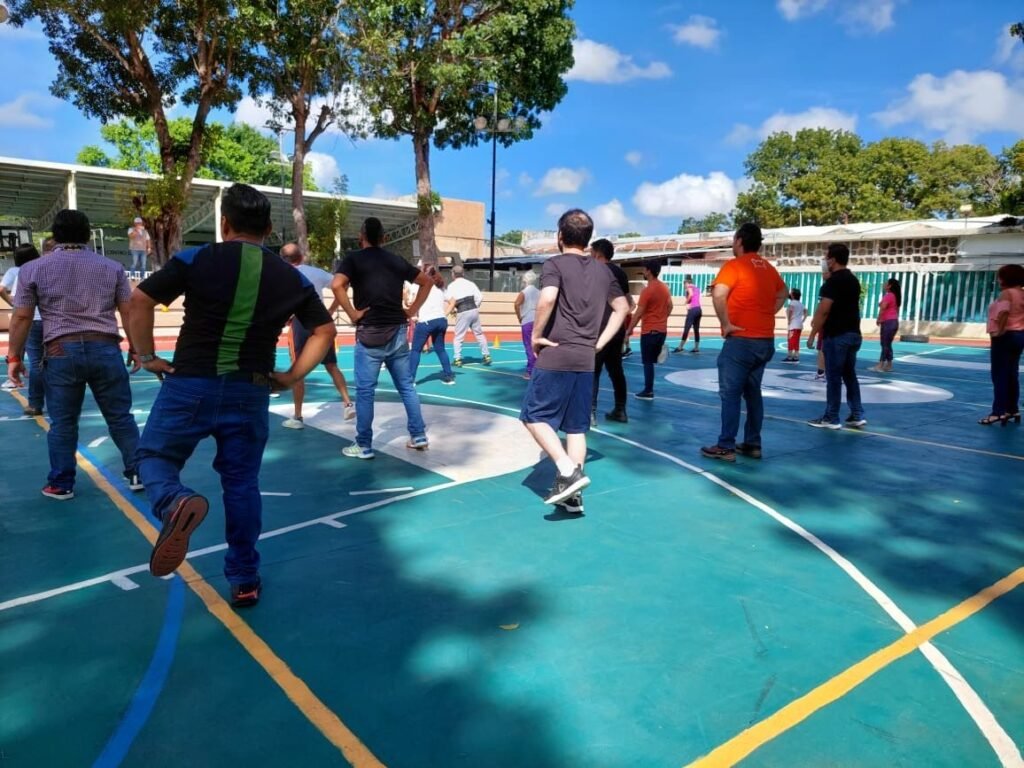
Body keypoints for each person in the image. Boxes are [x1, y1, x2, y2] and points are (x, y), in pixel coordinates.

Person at [128, 184, 335, 607]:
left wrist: (147, 356)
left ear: (224, 224)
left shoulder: (197, 258)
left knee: (152, 456)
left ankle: (173, 501)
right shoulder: (290, 276)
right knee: (241, 484)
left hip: (190, 383)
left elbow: (140, 299)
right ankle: (244, 579)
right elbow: (325, 330)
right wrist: (291, 376)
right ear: (269, 228)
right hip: (250, 390)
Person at [6, 209, 142, 499]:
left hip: (60, 350)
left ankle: (61, 483)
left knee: (63, 423)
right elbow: (129, 312)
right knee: (120, 417)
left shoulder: (33, 269)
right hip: (105, 347)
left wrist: (14, 357)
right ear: (88, 235)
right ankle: (138, 472)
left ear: (54, 236)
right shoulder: (113, 268)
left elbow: (22, 317)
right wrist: (137, 348)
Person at [520, 209, 629, 513]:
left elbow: (547, 298)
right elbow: (623, 307)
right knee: (576, 427)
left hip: (557, 352)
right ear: (588, 239)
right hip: (585, 358)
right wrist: (599, 343)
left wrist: (536, 335)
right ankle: (572, 497)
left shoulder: (554, 264)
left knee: (532, 416)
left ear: (560, 236)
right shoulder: (604, 271)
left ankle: (568, 471)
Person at [332, 217, 432, 459]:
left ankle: (364, 445)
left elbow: (336, 285)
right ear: (384, 238)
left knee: (366, 392)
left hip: (369, 332)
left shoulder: (353, 259)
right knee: (406, 386)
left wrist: (353, 314)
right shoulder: (396, 260)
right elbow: (427, 282)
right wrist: (411, 310)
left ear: (361, 236)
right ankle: (418, 435)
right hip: (397, 331)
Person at [700, 223, 787, 462]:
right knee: (753, 393)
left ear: (739, 241)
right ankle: (752, 443)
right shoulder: (768, 268)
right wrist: (767, 312)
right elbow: (783, 293)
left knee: (730, 393)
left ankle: (726, 445)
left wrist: (726, 323)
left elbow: (719, 293)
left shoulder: (734, 266)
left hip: (741, 340)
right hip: (764, 340)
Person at [279, 242, 355, 428]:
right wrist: (331, 309)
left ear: (283, 260)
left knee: (298, 370)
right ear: (301, 257)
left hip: (301, 323)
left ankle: (298, 416)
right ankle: (348, 404)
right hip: (321, 321)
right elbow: (342, 285)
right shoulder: (316, 272)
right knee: (332, 365)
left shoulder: (283, 275)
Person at [806, 243, 866, 429]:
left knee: (833, 377)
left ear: (832, 260)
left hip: (837, 334)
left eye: (826, 258)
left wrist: (813, 334)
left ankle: (831, 417)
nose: (825, 261)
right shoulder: (853, 280)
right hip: (853, 333)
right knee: (849, 375)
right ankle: (857, 414)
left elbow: (824, 310)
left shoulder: (832, 283)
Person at [590, 238, 633, 423]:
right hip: (617, 329)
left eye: (591, 253)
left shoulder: (594, 271)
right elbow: (629, 303)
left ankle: (590, 412)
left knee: (593, 370)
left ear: (597, 253)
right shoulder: (620, 273)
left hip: (599, 328)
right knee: (616, 370)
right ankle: (620, 409)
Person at [1, 244, 46, 414]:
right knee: (53, 360)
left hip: (29, 319)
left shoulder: (17, 271)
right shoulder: (44, 269)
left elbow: (2, 289)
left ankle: (35, 402)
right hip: (48, 319)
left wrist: (12, 303)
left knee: (34, 362)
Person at [979, 264, 1024, 425]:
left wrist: (999, 331)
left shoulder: (1007, 293)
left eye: (999, 276)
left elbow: (1004, 312)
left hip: (1005, 336)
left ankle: (998, 412)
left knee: (999, 374)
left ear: (1006, 278)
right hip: (1019, 335)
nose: (998, 280)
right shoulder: (1022, 293)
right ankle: (1012, 409)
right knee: (1012, 373)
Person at [626, 260, 672, 401]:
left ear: (649, 271)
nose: (644, 272)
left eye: (645, 270)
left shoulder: (647, 291)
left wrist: (629, 330)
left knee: (647, 362)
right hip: (662, 330)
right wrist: (662, 318)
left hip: (649, 330)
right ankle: (659, 351)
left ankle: (648, 391)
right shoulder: (664, 288)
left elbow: (638, 313)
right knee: (652, 358)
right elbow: (670, 306)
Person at [409, 264, 455, 385]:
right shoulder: (440, 286)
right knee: (440, 349)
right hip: (441, 321)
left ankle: (411, 379)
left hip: (426, 322)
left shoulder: (418, 285)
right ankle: (449, 376)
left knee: (415, 350)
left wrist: (414, 315)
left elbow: (411, 301)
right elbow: (453, 301)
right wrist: (444, 314)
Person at [445, 265, 491, 367]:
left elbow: (449, 300)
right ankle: (487, 355)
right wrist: (475, 306)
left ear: (453, 274)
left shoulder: (451, 286)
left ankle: (457, 359)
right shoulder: (471, 284)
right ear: (463, 273)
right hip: (473, 309)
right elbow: (480, 297)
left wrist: (453, 310)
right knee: (479, 334)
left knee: (458, 336)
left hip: (462, 310)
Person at [870, 277, 901, 373]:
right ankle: (889, 365)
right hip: (893, 321)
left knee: (884, 344)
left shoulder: (889, 295)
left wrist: (879, 318)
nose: (884, 284)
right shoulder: (895, 296)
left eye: (886, 283)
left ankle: (880, 365)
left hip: (888, 322)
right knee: (887, 344)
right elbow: (896, 310)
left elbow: (883, 308)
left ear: (889, 286)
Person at [514, 270, 540, 379]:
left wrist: (519, 316)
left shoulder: (524, 292)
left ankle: (530, 371)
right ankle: (539, 370)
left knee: (529, 346)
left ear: (525, 280)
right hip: (538, 320)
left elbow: (516, 304)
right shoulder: (539, 292)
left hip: (527, 320)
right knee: (538, 346)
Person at [673, 275, 702, 354]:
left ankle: (680, 347)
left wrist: (685, 302)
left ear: (687, 283)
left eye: (684, 284)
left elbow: (691, 295)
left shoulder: (689, 288)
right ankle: (696, 348)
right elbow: (696, 298)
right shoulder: (697, 288)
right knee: (696, 329)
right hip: (699, 309)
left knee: (687, 328)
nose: (684, 286)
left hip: (693, 310)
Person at [783, 287, 805, 363]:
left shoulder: (792, 303)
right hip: (799, 325)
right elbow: (806, 312)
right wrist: (803, 320)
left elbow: (790, 311)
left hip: (793, 325)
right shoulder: (801, 304)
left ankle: (790, 357)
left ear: (792, 295)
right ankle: (796, 356)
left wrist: (789, 320)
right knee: (796, 341)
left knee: (791, 340)